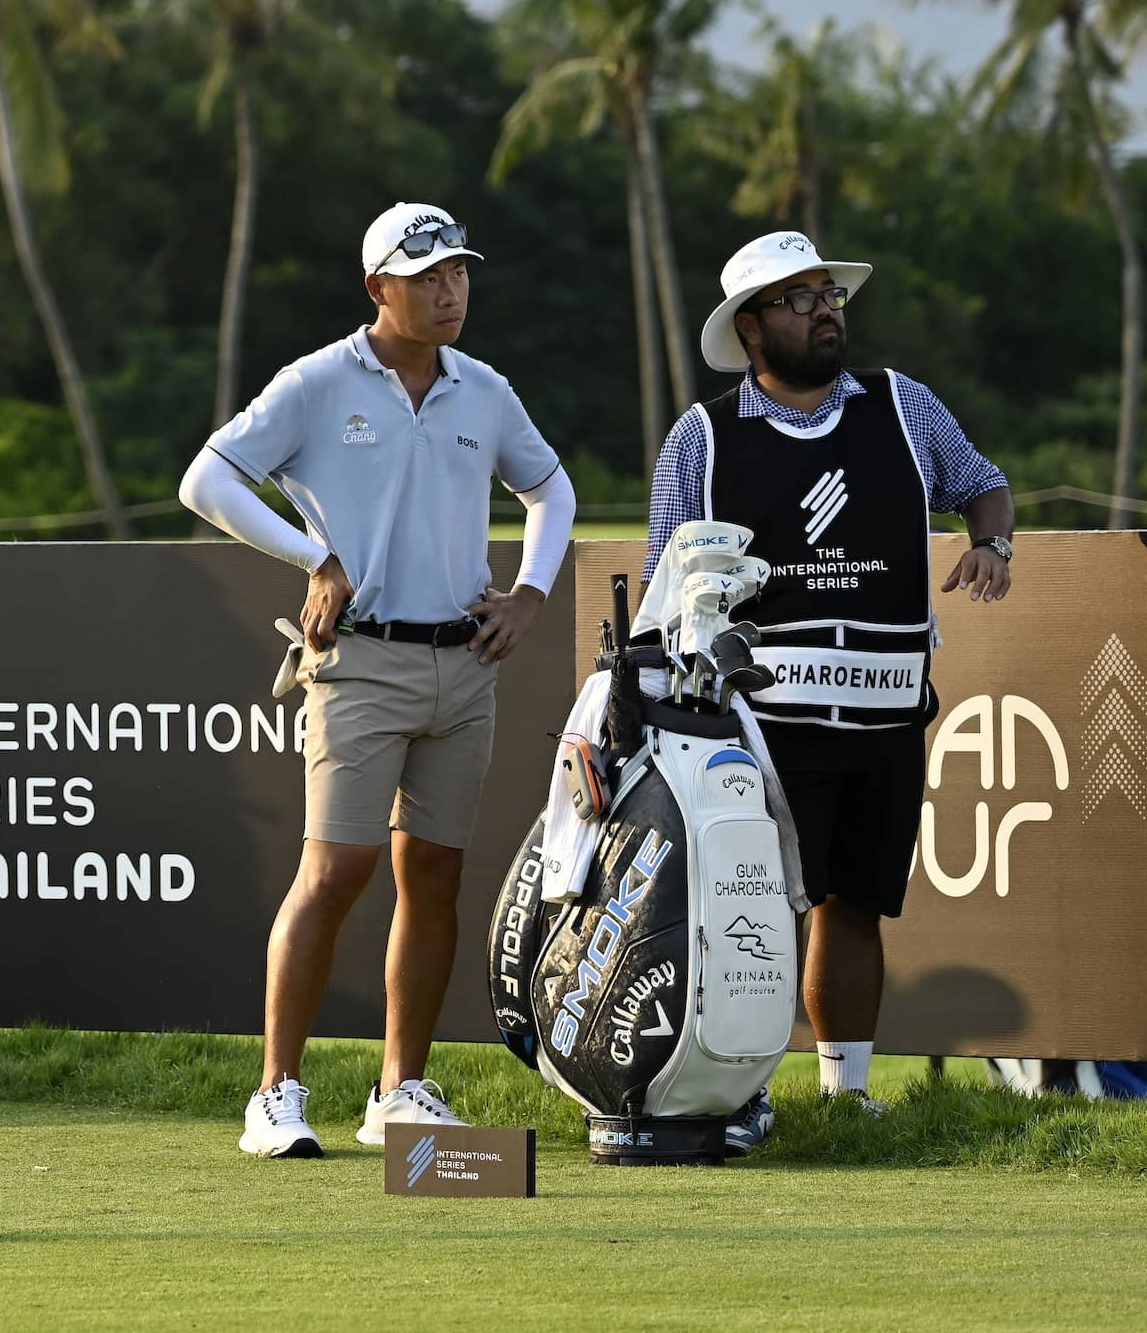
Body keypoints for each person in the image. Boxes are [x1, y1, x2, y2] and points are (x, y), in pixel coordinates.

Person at [179, 202, 575, 1158]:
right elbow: (210, 478)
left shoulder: (483, 389)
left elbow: (550, 490)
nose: (449, 290)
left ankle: (401, 1091)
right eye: (427, 274)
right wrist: (313, 556)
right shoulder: (318, 381)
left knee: (432, 876)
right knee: (335, 869)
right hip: (359, 660)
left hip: (463, 661)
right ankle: (276, 1092)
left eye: (459, 273)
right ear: (378, 288)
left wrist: (527, 593)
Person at [643, 229, 1013, 1150]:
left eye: (829, 295)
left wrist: (991, 542)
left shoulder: (905, 406)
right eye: (800, 297)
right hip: (764, 724)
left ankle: (843, 1094)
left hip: (887, 713)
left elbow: (983, 484)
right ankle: (742, 1091)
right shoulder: (704, 439)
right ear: (753, 326)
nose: (824, 309)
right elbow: (665, 585)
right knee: (753, 908)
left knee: (856, 899)